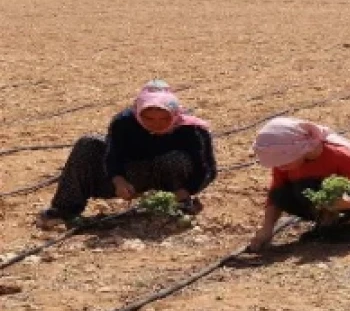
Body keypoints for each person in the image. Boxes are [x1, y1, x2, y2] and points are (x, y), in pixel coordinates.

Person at [37, 80, 216, 228]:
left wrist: (183, 192)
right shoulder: (123, 123)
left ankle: (180, 206)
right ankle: (64, 210)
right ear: (138, 113)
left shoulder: (192, 129)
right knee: (88, 143)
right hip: (133, 175)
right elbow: (112, 156)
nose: (157, 124)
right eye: (148, 118)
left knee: (175, 159)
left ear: (175, 113)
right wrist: (119, 180)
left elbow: (207, 169)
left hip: (171, 181)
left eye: (164, 118)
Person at [248, 117, 350, 251]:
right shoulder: (286, 162)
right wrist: (267, 228)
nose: (280, 167)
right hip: (321, 201)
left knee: (308, 185)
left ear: (299, 150)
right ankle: (327, 223)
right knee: (283, 193)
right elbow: (277, 191)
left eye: (282, 163)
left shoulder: (340, 154)